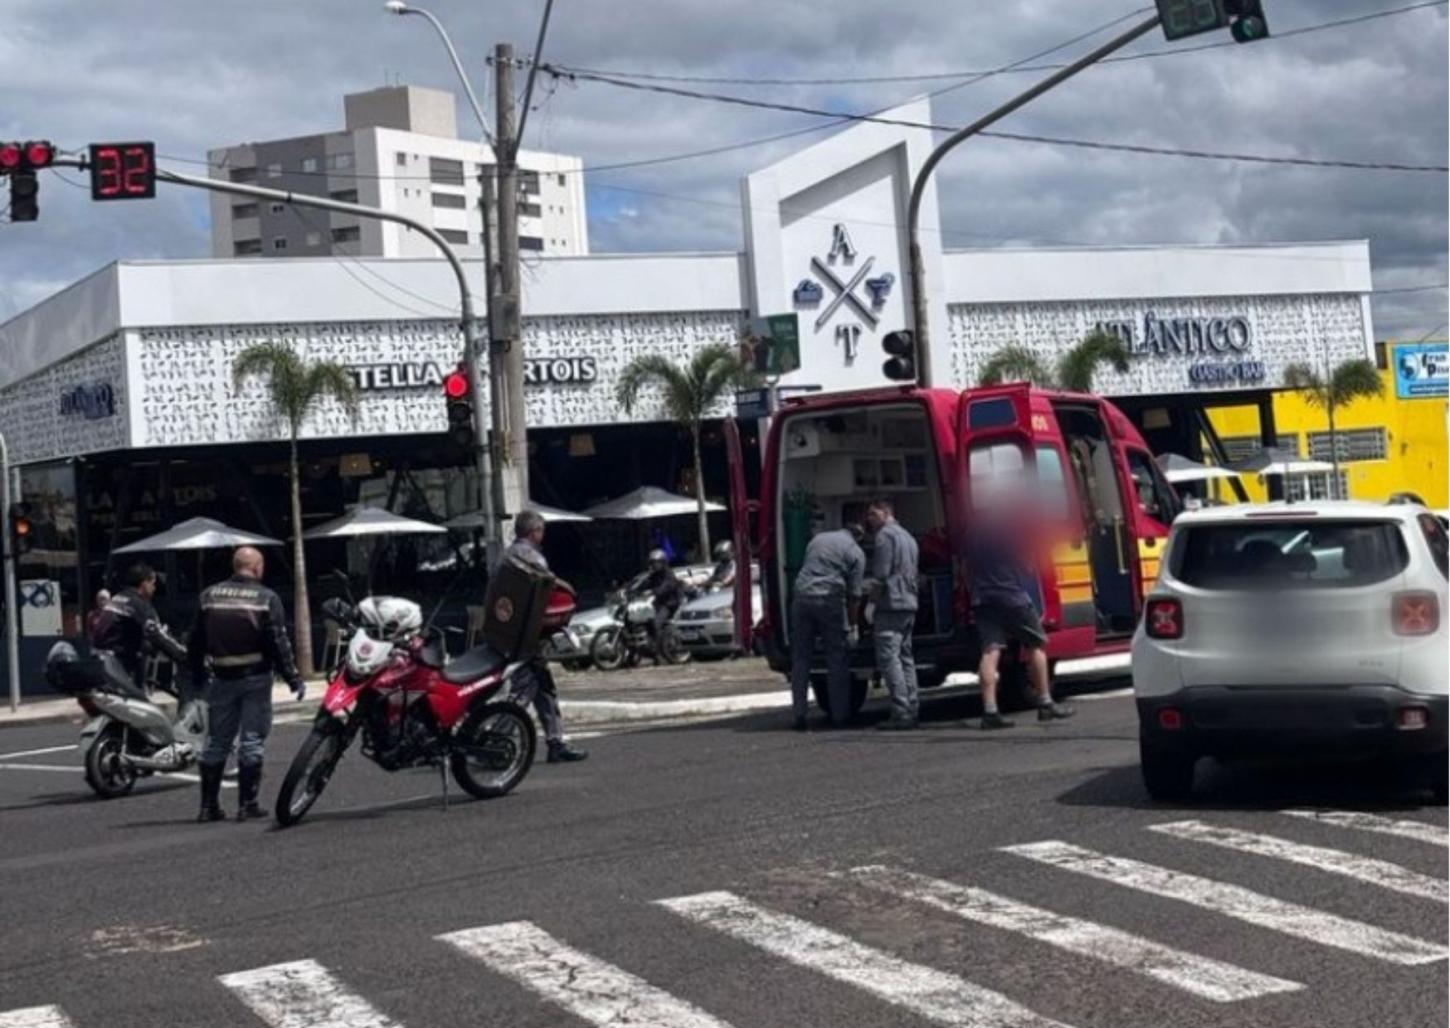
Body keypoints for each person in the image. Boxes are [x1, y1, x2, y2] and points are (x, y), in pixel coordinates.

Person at [187, 546, 305, 823]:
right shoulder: (266, 598)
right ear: (257, 568)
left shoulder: (209, 596)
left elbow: (195, 639)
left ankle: (208, 807)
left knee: (217, 741)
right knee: (251, 740)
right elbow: (278, 642)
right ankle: (247, 805)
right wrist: (292, 677)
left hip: (221, 676)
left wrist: (197, 674)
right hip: (255, 677)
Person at [968, 493, 1075, 730]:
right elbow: (1026, 567)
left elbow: (968, 566)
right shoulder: (1008, 533)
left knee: (990, 651)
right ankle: (1045, 702)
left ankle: (990, 711)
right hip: (1011, 596)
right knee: (1036, 644)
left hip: (982, 598)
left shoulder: (975, 534)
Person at [505, 510, 588, 764]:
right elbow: (547, 581)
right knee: (525, 690)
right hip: (528, 633)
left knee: (543, 688)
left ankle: (556, 742)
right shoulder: (529, 555)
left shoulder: (508, 554)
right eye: (541, 531)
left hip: (516, 630)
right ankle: (499, 737)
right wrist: (568, 589)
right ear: (535, 532)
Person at [789, 523, 866, 730]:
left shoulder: (818, 540)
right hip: (829, 601)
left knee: (801, 659)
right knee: (836, 658)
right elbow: (855, 595)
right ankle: (840, 717)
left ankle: (799, 714)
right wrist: (853, 626)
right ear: (860, 537)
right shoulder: (856, 552)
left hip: (801, 598)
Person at [866, 499, 922, 730]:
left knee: (889, 659)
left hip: (891, 603)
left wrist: (871, 604)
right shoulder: (908, 537)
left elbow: (881, 575)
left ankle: (901, 711)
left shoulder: (884, 537)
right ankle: (912, 706)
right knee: (906, 658)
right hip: (909, 602)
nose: (869, 519)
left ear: (886, 512)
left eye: (873, 514)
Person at [88, 565, 186, 686]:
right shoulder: (139, 605)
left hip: (99, 665)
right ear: (144, 584)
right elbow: (157, 635)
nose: (154, 588)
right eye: (153, 583)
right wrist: (184, 656)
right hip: (120, 668)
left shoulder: (116, 599)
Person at [637, 548, 684, 645]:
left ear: (663, 562)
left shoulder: (669, 574)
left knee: (656, 623)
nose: (655, 565)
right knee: (643, 619)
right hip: (658, 603)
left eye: (657, 562)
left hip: (669, 603)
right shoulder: (654, 575)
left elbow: (666, 587)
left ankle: (658, 647)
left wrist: (653, 592)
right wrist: (632, 590)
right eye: (653, 562)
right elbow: (644, 584)